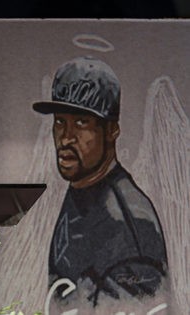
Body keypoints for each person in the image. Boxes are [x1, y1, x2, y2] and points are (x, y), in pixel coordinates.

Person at [32, 56, 168, 306]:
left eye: (82, 122)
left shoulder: (128, 220)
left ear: (112, 130)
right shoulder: (83, 187)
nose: (66, 138)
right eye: (60, 122)